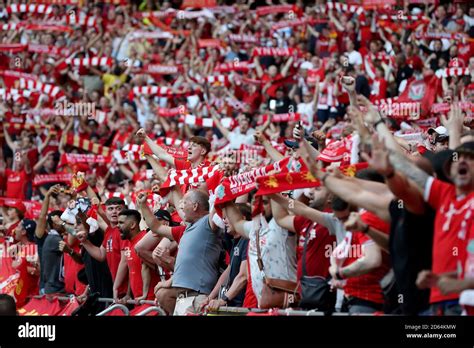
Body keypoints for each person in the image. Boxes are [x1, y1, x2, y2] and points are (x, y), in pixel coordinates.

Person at [136, 189, 223, 315]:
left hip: (198, 297)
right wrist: (143, 205)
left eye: (185, 202)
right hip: (182, 298)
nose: (181, 206)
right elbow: (156, 227)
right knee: (163, 294)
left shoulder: (208, 222)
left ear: (195, 206)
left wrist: (222, 187)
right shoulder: (185, 230)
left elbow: (218, 204)